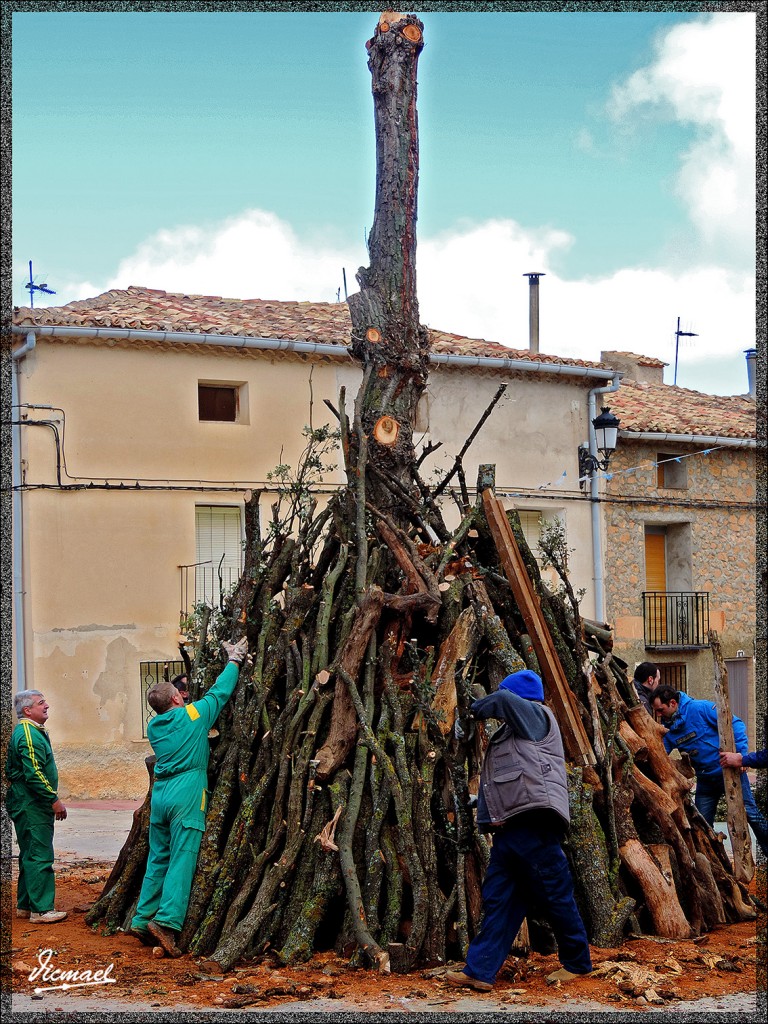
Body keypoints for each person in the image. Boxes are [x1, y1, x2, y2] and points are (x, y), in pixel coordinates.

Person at [445, 669, 592, 993]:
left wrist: (472, 710)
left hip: (534, 827)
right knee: (499, 901)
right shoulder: (514, 732)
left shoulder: (537, 715)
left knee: (556, 896)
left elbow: (502, 700)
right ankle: (480, 970)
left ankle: (578, 963)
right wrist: (476, 802)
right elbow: (512, 779)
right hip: (510, 832)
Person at [129, 637, 248, 956]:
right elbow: (219, 694)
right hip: (186, 792)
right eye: (180, 694)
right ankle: (167, 922)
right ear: (177, 700)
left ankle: (141, 919)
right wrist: (234, 661)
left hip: (162, 795)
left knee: (158, 859)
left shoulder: (155, 727)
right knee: (182, 857)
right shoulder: (193, 717)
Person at [651, 685, 768, 857]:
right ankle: (715, 863)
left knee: (752, 816)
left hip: (729, 774)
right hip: (705, 780)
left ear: (673, 703)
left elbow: (736, 723)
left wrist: (740, 754)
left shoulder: (701, 708)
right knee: (702, 825)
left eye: (660, 710)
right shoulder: (668, 729)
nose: (658, 714)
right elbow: (661, 753)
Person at [6, 690, 69, 923]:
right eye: (41, 703)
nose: (47, 706)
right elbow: (34, 773)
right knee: (39, 854)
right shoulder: (28, 734)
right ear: (27, 710)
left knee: (29, 853)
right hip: (31, 803)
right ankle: (41, 910)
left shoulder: (30, 731)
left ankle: (26, 905)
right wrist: (54, 799)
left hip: (28, 801)